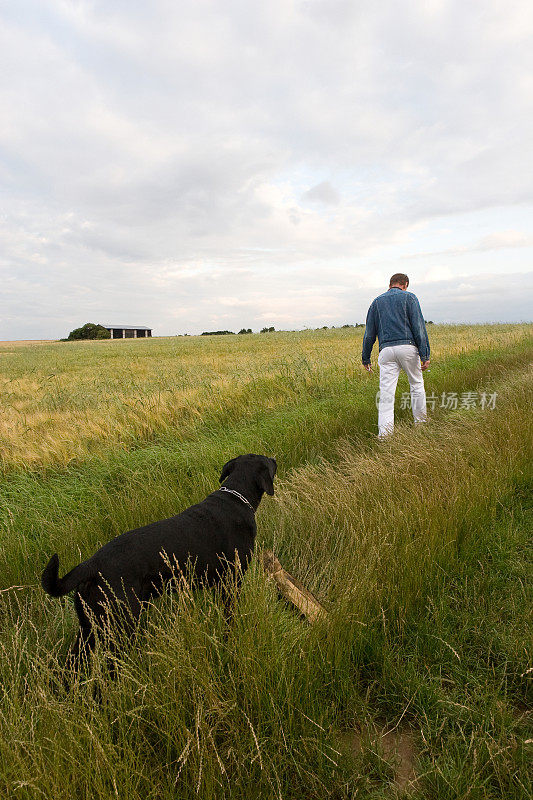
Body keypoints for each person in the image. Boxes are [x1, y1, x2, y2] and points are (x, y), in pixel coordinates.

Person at [361, 273, 430, 438]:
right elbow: (419, 327)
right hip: (408, 347)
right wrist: (425, 354)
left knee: (386, 394)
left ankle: (384, 436)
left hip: (386, 351)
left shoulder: (376, 302)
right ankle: (421, 425)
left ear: (390, 284)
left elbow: (369, 334)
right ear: (405, 284)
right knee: (416, 385)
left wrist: (366, 357)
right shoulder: (410, 298)